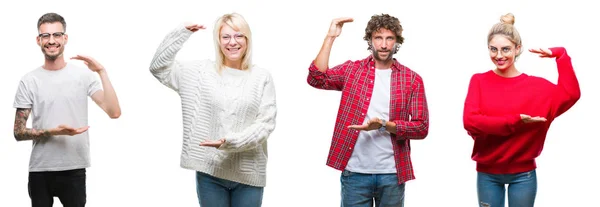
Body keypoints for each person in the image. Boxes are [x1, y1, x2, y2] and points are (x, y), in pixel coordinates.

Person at [148, 13, 276, 207]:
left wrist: (230, 142)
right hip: (211, 173)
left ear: (247, 39)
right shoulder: (199, 73)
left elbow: (266, 124)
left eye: (238, 35)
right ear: (218, 40)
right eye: (226, 37)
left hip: (248, 175)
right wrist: (180, 33)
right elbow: (158, 68)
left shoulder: (261, 77)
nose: (232, 42)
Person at [306, 14, 429, 207]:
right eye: (378, 38)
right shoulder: (352, 71)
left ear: (397, 42)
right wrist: (331, 37)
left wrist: (383, 125)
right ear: (370, 41)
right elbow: (316, 78)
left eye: (389, 38)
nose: (383, 45)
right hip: (355, 174)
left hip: (392, 174)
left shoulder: (411, 79)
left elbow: (421, 127)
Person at [462, 13, 581, 207]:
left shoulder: (538, 87)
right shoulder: (479, 80)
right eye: (493, 49)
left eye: (506, 49)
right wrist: (515, 121)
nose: (499, 56)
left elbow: (571, 94)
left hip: (523, 175)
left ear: (518, 49)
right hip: (487, 173)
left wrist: (561, 54)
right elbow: (470, 121)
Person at [12, 12, 121, 207]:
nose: (51, 40)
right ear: (38, 40)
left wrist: (101, 71)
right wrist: (54, 132)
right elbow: (18, 132)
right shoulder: (29, 80)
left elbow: (114, 112)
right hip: (40, 170)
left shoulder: (83, 77)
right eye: (46, 35)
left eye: (56, 35)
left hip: (74, 169)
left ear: (65, 38)